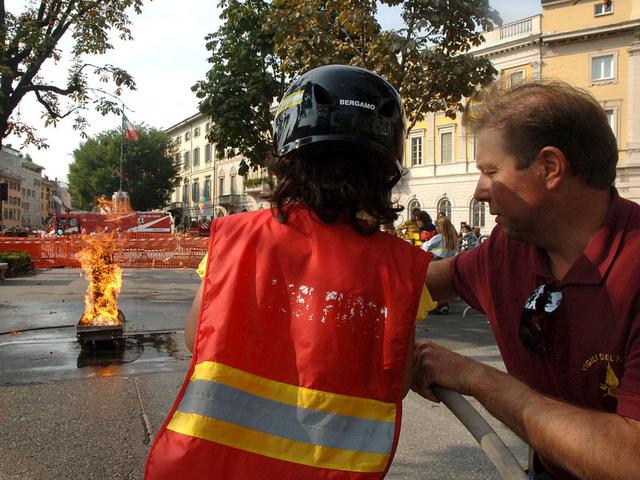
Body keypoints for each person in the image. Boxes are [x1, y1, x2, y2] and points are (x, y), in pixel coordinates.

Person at [145, 64, 433, 479]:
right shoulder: (402, 267)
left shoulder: (236, 239)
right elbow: (397, 382)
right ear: (385, 168)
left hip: (212, 467)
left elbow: (196, 337)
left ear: (287, 156)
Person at [412, 80, 640, 479]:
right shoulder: (509, 247)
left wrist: (474, 376)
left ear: (550, 167)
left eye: (490, 171)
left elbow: (630, 460)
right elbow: (428, 282)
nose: (481, 191)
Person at [421, 216, 458, 314]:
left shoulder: (438, 237)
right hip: (449, 262)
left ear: (442, 227)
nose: (436, 229)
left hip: (437, 261)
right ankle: (444, 305)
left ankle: (434, 305)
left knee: (434, 285)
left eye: (437, 227)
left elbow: (425, 246)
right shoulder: (453, 237)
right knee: (445, 285)